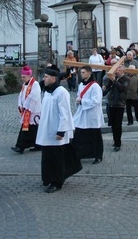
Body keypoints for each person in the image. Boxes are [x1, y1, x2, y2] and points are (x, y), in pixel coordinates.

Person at [36, 65, 82, 193]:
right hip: (47, 130)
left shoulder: (61, 92)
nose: (43, 79)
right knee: (47, 156)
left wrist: (61, 131)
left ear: (53, 78)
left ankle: (57, 181)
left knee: (56, 158)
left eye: (46, 77)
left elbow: (65, 113)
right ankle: (48, 178)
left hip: (57, 132)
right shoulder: (47, 91)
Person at [73, 65, 104, 164]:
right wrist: (78, 101)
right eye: (81, 72)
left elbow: (96, 100)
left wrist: (82, 101)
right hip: (83, 114)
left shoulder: (95, 86)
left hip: (92, 115)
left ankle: (98, 155)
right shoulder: (81, 85)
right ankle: (79, 154)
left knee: (95, 136)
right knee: (79, 135)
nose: (81, 74)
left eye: (83, 72)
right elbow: (79, 96)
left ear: (89, 73)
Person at [11, 65, 42, 154]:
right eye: (21, 76)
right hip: (27, 109)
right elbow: (21, 95)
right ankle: (37, 145)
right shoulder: (24, 85)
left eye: (24, 77)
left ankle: (20, 146)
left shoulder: (35, 84)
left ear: (29, 76)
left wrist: (26, 106)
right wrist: (20, 104)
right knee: (33, 129)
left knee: (27, 129)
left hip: (33, 110)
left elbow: (33, 97)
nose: (22, 78)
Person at [104, 65, 130, 151]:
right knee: (113, 124)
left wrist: (114, 80)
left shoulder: (126, 79)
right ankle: (115, 141)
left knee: (118, 124)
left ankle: (118, 143)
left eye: (118, 70)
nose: (117, 71)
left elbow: (122, 88)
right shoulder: (115, 79)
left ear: (123, 71)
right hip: (112, 103)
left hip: (119, 104)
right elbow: (108, 87)